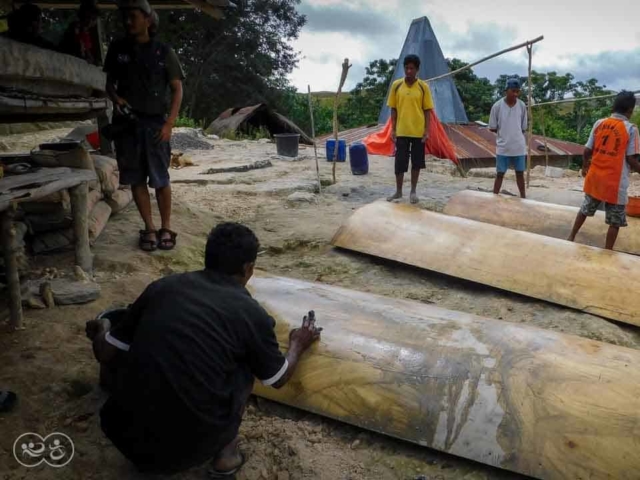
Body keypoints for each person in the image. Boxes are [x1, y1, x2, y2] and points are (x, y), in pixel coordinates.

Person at [85, 223, 322, 476]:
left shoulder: (163, 287)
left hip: (121, 434)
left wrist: (104, 327)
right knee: (244, 366)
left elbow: (105, 353)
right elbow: (277, 378)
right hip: (189, 449)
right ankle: (225, 456)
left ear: (207, 257)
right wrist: (298, 342)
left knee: (142, 343)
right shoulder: (252, 314)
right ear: (248, 268)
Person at [103, 0, 184, 252]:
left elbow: (177, 89)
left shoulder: (163, 51)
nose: (128, 22)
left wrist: (170, 123)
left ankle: (166, 227)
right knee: (136, 178)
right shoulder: (117, 48)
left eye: (134, 16)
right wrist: (116, 99)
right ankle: (149, 228)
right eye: (126, 17)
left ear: (148, 19)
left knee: (160, 178)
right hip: (127, 124)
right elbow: (107, 83)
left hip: (156, 124)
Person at [567, 91, 640, 250]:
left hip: (595, 178)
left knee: (585, 209)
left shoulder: (599, 123)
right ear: (630, 110)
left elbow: (587, 151)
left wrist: (585, 166)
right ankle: (607, 251)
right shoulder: (631, 129)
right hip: (615, 183)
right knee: (615, 221)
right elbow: (631, 159)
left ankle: (571, 236)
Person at [386, 54, 435, 204]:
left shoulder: (423, 87)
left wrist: (426, 130)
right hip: (401, 130)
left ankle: (413, 191)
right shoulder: (396, 86)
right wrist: (393, 129)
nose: (408, 71)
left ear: (417, 70)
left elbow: (427, 110)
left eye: (412, 68)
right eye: (406, 68)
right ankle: (399, 191)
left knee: (417, 162)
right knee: (400, 162)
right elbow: (393, 109)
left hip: (418, 131)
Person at [489, 77, 528, 198]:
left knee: (520, 173)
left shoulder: (522, 106)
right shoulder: (497, 106)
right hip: (503, 147)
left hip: (518, 147)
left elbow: (523, 127)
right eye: (513, 91)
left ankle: (523, 197)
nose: (515, 94)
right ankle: (494, 197)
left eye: (517, 91)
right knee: (500, 173)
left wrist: (513, 135)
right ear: (506, 91)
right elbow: (493, 127)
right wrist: (505, 135)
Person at [59, 0, 100, 64]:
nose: (90, 21)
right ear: (81, 15)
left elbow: (87, 50)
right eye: (87, 17)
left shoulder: (86, 31)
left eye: (93, 19)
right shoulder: (75, 28)